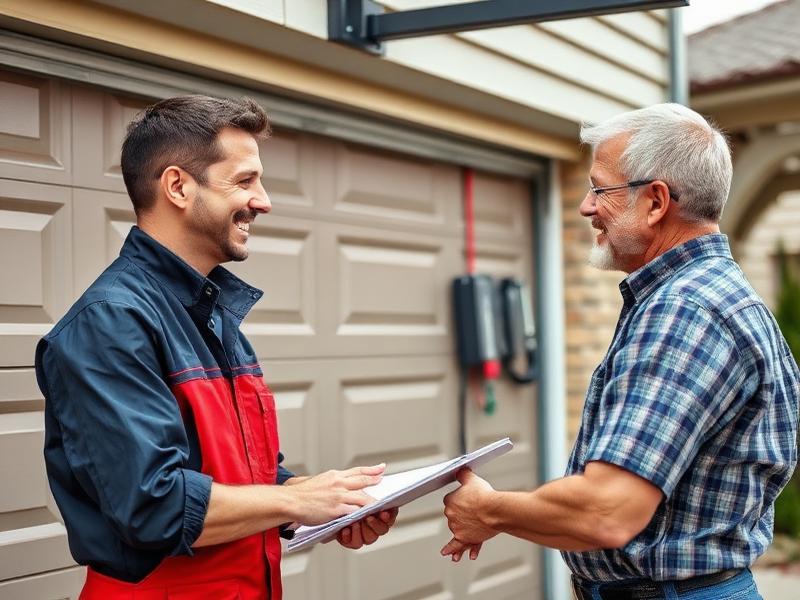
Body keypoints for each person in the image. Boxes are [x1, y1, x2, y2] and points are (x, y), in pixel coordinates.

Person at [35, 95, 396, 600]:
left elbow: (243, 476)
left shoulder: (209, 310)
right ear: (179, 187)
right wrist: (295, 502)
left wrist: (326, 505)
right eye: (245, 181)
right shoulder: (111, 322)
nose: (264, 200)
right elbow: (153, 507)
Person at [440, 103, 800, 599]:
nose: (587, 207)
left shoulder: (684, 311)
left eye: (600, 189)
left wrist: (490, 510)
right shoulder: (707, 294)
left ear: (656, 202)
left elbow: (606, 512)